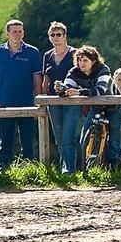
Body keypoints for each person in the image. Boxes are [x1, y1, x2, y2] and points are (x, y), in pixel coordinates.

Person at [60, 45, 121, 170]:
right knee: (84, 134)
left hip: (114, 107)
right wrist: (62, 90)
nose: (82, 63)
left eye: (85, 60)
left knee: (114, 139)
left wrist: (79, 92)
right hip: (96, 107)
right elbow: (67, 87)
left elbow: (101, 89)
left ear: (94, 61)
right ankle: (88, 165)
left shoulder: (103, 69)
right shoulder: (74, 72)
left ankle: (117, 162)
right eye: (80, 60)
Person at [0, 19, 42, 171]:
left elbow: (37, 79)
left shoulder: (32, 52)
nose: (18, 34)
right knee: (5, 144)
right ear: (7, 34)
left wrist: (38, 101)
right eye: (14, 31)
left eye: (20, 31)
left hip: (27, 105)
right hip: (4, 105)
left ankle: (30, 173)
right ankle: (3, 174)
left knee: (28, 144)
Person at [41, 22, 78, 173]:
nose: (55, 37)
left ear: (65, 36)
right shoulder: (47, 55)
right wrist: (42, 98)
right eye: (52, 35)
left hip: (71, 99)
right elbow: (45, 79)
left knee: (69, 135)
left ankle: (69, 169)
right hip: (52, 100)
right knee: (59, 136)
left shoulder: (75, 53)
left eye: (58, 34)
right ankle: (65, 167)